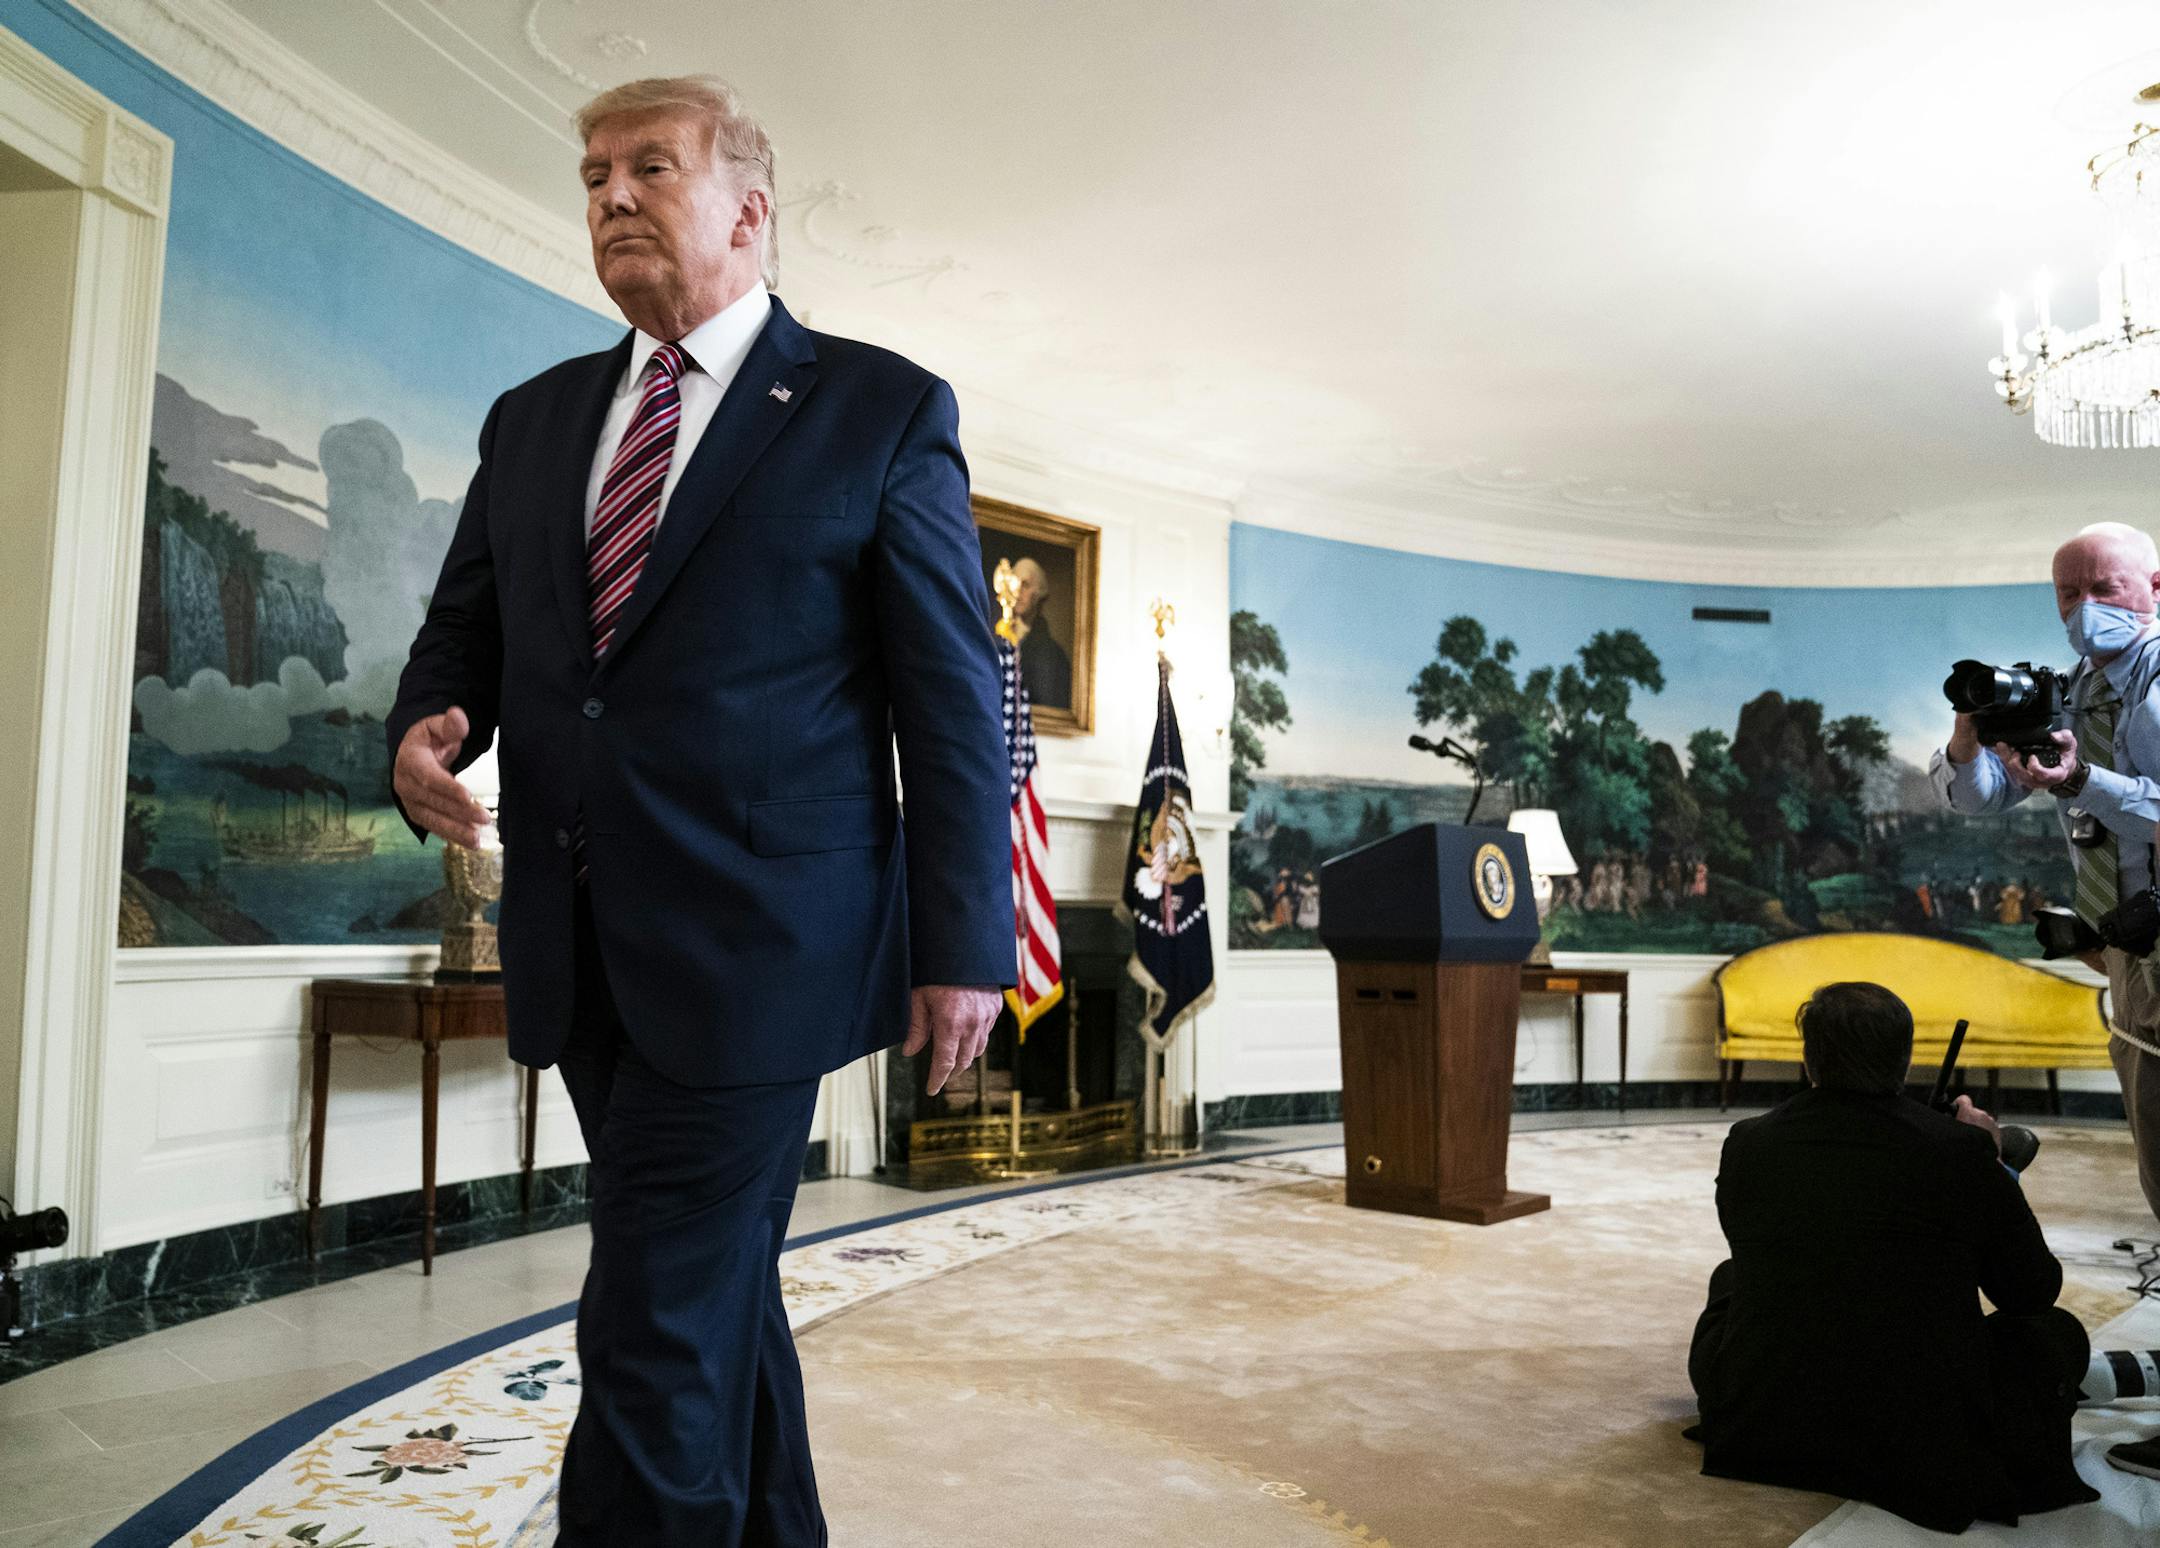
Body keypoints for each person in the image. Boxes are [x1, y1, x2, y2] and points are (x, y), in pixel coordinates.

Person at [385, 74, 1012, 1545]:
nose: (608, 194)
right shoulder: (533, 420)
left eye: (647, 167)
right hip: (575, 936)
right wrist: (424, 727)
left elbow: (951, 700)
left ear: (748, 207)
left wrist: (963, 939)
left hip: (762, 948)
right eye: (592, 172)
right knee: (712, 1289)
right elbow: (464, 627)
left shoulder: (880, 410)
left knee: (654, 1326)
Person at [1688, 982, 2099, 1532]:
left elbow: (1765, 1240)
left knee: (1732, 1278)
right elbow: (2029, 1292)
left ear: (1808, 1056)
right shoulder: (1960, 1151)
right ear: (1904, 1059)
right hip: (1914, 1426)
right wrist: (1996, 1166)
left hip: (1768, 1416)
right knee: (2057, 1334)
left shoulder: (1749, 1139)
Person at [1932, 522, 2160, 1225]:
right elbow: (1978, 798)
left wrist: (2083, 778)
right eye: (2069, 593)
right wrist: (1967, 741)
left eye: (2105, 588)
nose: (2085, 606)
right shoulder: (2074, 690)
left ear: (2155, 589)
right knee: (2151, 1115)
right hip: (2131, 938)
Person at [1008, 555, 1072, 708]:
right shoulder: (999, 639)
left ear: (1039, 594)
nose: (1018, 591)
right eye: (1014, 583)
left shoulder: (1051, 653)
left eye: (1025, 584)